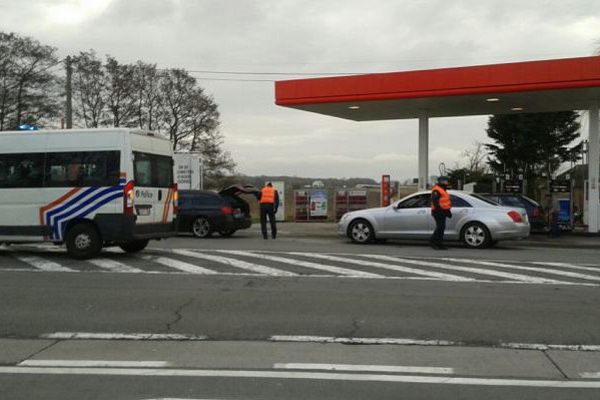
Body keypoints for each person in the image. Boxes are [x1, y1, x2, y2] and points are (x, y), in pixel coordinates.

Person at [430, 176, 452, 250]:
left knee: (441, 228)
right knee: (440, 227)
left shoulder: (443, 189)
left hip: (443, 212)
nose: (447, 182)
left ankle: (439, 243)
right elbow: (435, 202)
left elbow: (445, 202)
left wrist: (448, 211)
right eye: (445, 181)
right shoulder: (437, 190)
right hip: (438, 212)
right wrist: (441, 211)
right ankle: (433, 241)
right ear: (441, 181)